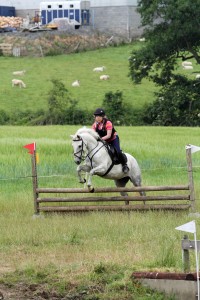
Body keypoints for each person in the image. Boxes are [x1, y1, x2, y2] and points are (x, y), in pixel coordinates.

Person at [92, 108, 129, 173]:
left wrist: (100, 139)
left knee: (118, 151)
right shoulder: (95, 125)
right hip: (103, 140)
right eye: (96, 116)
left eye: (99, 116)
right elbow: (93, 134)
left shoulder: (108, 123)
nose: (97, 118)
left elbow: (108, 135)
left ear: (102, 117)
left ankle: (124, 165)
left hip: (113, 139)